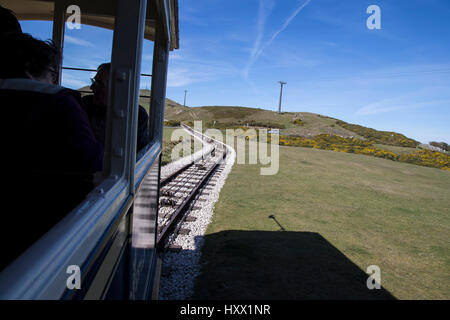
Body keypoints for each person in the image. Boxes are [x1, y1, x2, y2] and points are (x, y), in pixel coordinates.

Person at [0, 33, 103, 270]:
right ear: (31, 68)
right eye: (51, 74)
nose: (54, 80)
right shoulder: (60, 101)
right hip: (47, 220)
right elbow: (92, 160)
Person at [82, 63, 150, 157]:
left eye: (99, 83)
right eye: (93, 81)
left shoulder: (137, 114)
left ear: (117, 88)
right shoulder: (84, 104)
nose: (92, 87)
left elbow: (139, 154)